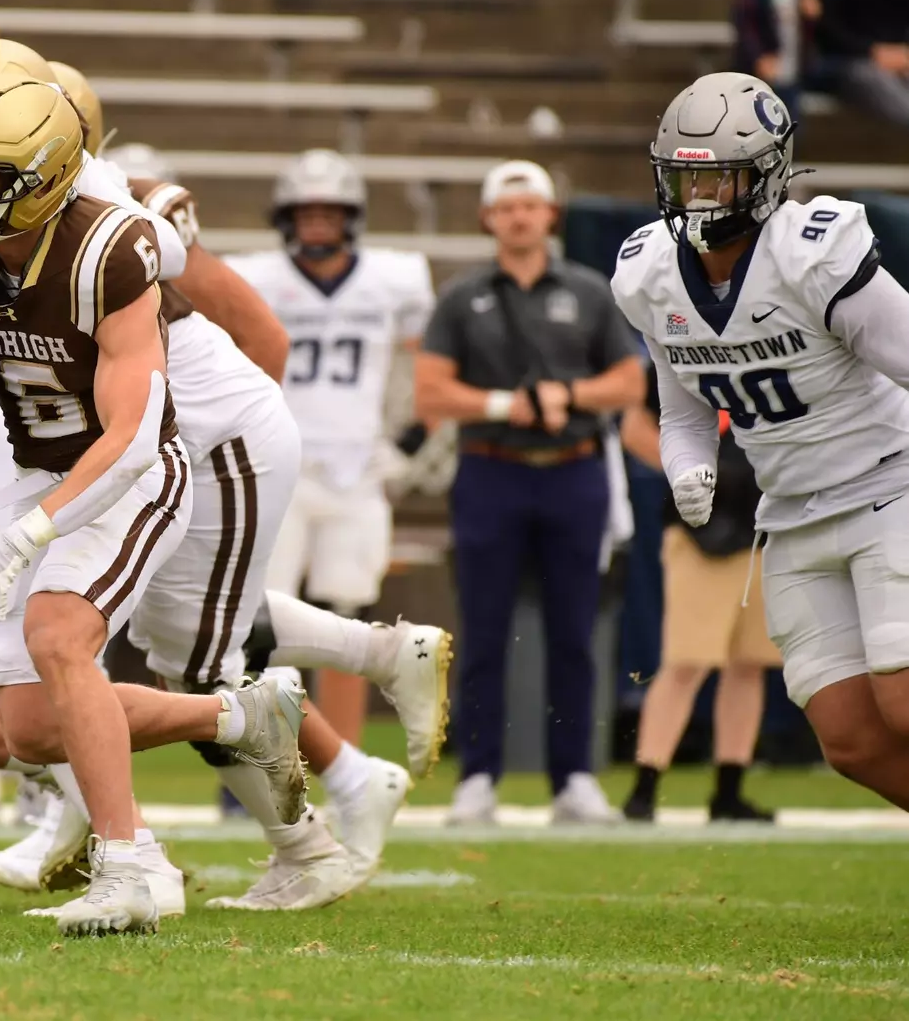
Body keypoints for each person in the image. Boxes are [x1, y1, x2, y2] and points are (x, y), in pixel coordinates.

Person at [0, 70, 308, 936]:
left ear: (44, 180)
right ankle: (240, 715)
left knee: (59, 634)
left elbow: (134, 428)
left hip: (133, 471)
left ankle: (126, 865)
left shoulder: (110, 250)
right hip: (36, 464)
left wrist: (29, 534)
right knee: (31, 730)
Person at [613, 71, 909, 812]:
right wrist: (688, 467)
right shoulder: (650, 274)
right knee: (849, 738)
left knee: (903, 701)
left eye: (721, 179)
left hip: (889, 485)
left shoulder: (812, 251)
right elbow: (680, 405)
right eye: (687, 181)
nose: (702, 198)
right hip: (791, 515)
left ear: (768, 175)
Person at [415, 159, 645, 827]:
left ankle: (573, 776)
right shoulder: (462, 297)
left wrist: (566, 395)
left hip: (574, 470)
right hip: (492, 469)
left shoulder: (588, 290)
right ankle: (478, 776)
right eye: (507, 206)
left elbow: (628, 384)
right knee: (483, 631)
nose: (519, 216)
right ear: (489, 218)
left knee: (575, 631)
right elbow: (432, 391)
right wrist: (504, 403)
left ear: (550, 215)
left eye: (531, 205)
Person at [227, 149, 434, 752]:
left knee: (349, 623)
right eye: (307, 212)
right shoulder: (256, 277)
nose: (318, 224)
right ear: (286, 218)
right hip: (279, 464)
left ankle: (344, 759)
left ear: (353, 218)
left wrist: (409, 438)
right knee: (263, 619)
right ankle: (264, 754)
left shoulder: (393, 279)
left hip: (358, 469)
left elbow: (421, 360)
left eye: (330, 213)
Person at [619, 359, 777, 823]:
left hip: (766, 523)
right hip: (701, 531)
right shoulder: (682, 353)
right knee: (688, 660)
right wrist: (690, 476)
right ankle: (644, 786)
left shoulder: (782, 349)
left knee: (751, 661)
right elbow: (636, 429)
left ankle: (729, 789)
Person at [815, 0, 909, 127]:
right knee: (871, 77)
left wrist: (901, 54)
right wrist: (872, 51)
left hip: (899, 57)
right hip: (849, 59)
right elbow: (827, 23)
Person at [732, 0, 821, 120]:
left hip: (793, 68)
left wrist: (811, 15)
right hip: (766, 71)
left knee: (791, 122)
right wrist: (758, 57)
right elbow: (746, 27)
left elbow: (807, 31)